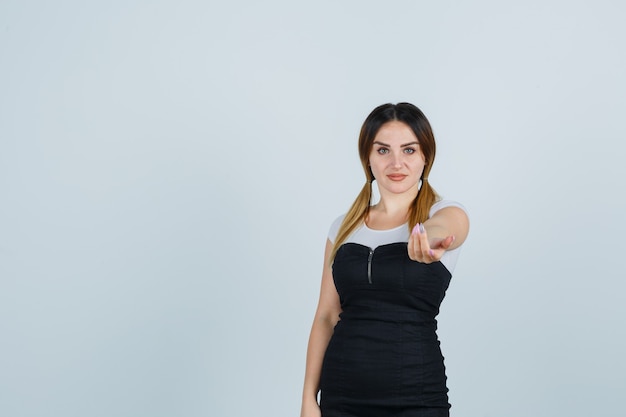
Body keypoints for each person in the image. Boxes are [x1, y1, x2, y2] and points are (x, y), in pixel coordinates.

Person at [300, 102, 470, 417]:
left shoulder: (445, 212)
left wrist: (427, 237)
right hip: (341, 396)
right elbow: (326, 315)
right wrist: (309, 398)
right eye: (383, 151)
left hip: (416, 398)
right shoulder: (342, 227)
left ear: (425, 157)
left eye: (408, 150)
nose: (396, 163)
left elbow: (449, 228)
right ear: (367, 157)